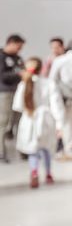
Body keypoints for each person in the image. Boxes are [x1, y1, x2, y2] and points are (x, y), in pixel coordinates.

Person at [12, 57, 63, 187]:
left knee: (33, 149)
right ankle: (48, 173)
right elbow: (56, 104)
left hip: (29, 118)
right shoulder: (49, 83)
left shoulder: (23, 84)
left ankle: (34, 171)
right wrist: (59, 123)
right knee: (46, 148)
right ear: (42, 69)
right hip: (46, 118)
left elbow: (17, 105)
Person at [0, 34, 26, 162]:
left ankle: (22, 150)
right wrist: (18, 74)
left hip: (18, 93)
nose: (19, 50)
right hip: (5, 93)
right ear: (11, 43)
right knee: (3, 123)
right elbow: (3, 76)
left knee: (19, 123)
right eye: (18, 46)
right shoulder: (1, 57)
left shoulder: (18, 58)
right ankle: (1, 152)